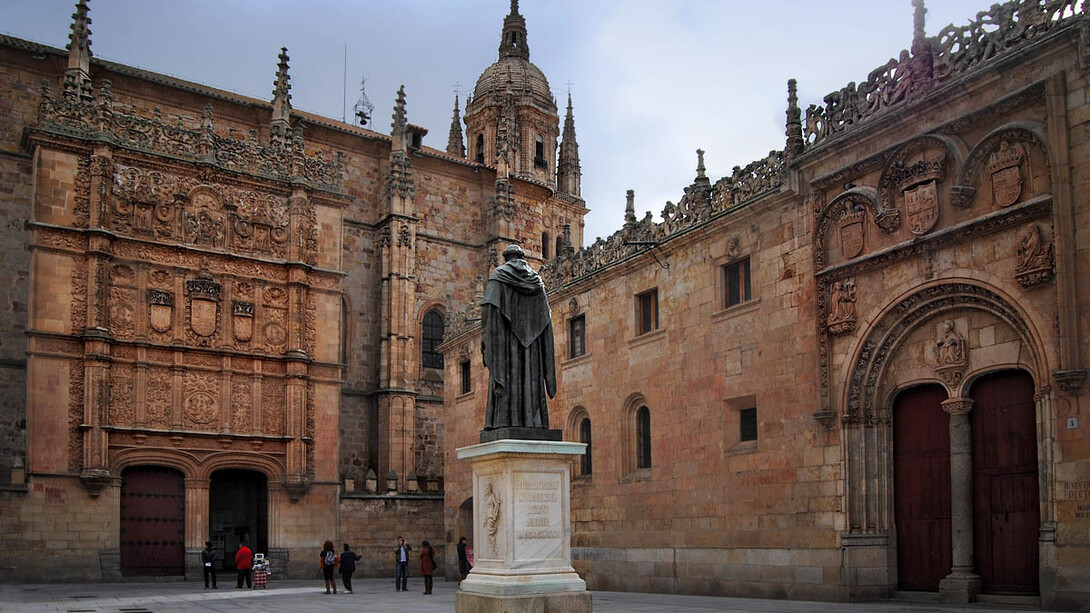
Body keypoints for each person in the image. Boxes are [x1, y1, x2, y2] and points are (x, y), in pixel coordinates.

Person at [481, 244, 557, 431]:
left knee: (510, 378)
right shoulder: (537, 282)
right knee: (529, 377)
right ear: (521, 258)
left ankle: (505, 420)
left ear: (506, 259)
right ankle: (532, 421)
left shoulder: (498, 277)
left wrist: (487, 342)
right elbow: (546, 317)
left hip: (506, 346)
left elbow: (489, 314)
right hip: (533, 350)